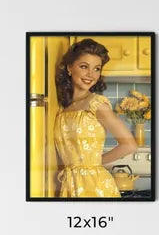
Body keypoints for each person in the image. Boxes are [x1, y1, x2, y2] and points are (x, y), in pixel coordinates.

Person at [53, 38, 137, 198]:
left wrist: (94, 164)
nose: (91, 74)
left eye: (97, 69)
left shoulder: (96, 104)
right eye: (84, 66)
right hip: (70, 183)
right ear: (70, 68)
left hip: (95, 185)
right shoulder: (63, 107)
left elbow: (129, 145)